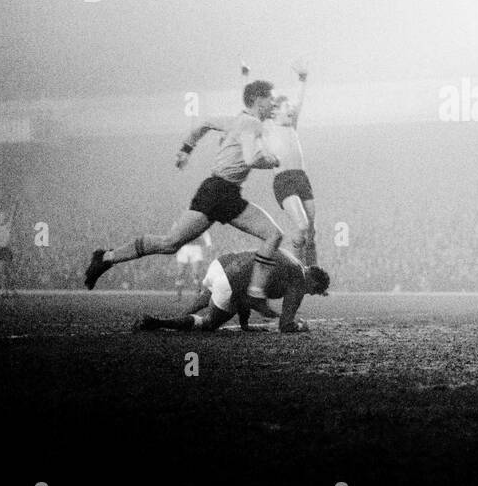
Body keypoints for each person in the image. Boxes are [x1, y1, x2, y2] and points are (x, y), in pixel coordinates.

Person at [84, 81, 286, 314]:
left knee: (170, 243)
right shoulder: (251, 123)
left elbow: (204, 123)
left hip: (218, 191)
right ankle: (256, 294)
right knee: (272, 234)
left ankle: (106, 257)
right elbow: (252, 158)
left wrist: (186, 149)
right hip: (220, 192)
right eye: (271, 98)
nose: (273, 102)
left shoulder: (237, 120)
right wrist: (272, 159)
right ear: (258, 99)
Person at [136, 247, 330, 333]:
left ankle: (183, 315)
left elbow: (247, 289)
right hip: (231, 283)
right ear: (313, 281)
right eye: (314, 291)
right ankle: (157, 322)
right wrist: (301, 326)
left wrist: (245, 324)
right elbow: (285, 326)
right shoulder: (299, 279)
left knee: (220, 292)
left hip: (221, 264)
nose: (309, 294)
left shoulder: (289, 258)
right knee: (208, 324)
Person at [264, 61, 318, 267]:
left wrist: (302, 80)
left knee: (311, 229)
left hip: (301, 177)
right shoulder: (268, 127)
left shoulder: (291, 126)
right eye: (287, 107)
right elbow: (253, 106)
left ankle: (312, 272)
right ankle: (298, 268)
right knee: (302, 225)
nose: (291, 110)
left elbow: (299, 101)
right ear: (275, 111)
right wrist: (245, 75)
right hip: (284, 179)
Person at [0, 196, 20, 297]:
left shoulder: (8, 226)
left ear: (5, 218)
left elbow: (13, 215)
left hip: (5, 250)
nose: (1, 217)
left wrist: (15, 205)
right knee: (4, 273)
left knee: (3, 271)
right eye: (0, 216)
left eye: (3, 216)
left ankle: (4, 291)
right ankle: (12, 290)